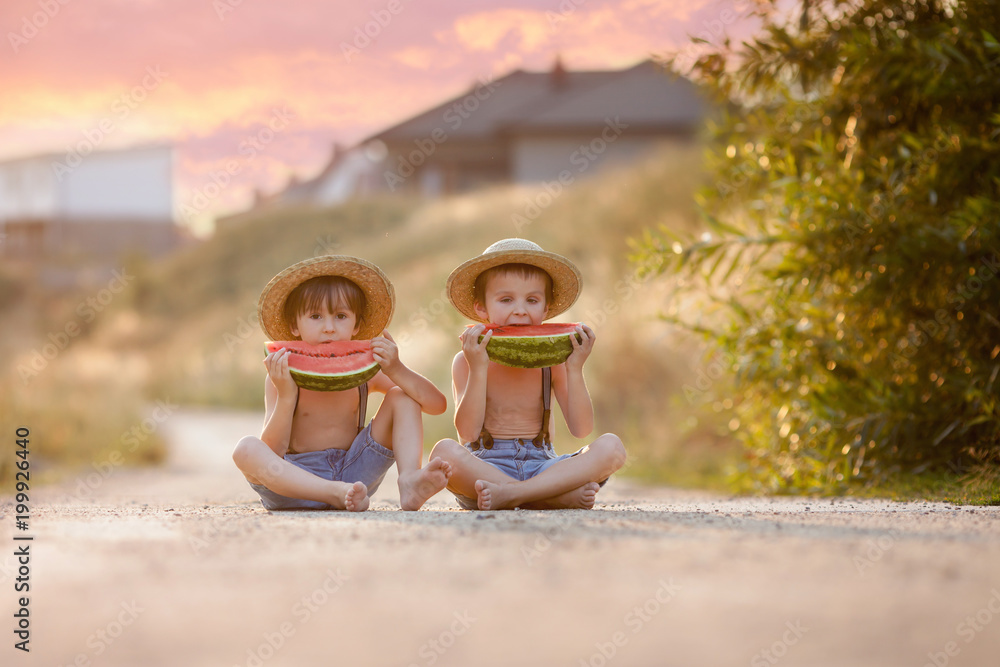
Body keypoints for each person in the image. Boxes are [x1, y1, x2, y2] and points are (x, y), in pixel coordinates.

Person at [232, 255, 450, 512]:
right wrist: (286, 395)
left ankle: (410, 480)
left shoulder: (366, 371)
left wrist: (396, 368)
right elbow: (272, 452)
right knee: (245, 448)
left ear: (356, 325)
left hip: (354, 474)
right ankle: (330, 493)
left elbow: (437, 405)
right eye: (315, 316)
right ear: (294, 325)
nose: (329, 328)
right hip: (294, 483)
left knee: (401, 395)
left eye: (341, 316)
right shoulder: (280, 375)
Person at [429, 238, 626, 510]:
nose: (520, 309)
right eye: (506, 299)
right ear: (481, 308)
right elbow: (467, 431)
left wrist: (574, 368)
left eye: (532, 300)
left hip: (542, 465)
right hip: (486, 469)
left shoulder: (552, 362)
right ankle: (548, 496)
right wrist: (478, 368)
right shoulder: (466, 361)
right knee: (443, 452)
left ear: (546, 309)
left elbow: (582, 429)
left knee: (612, 447)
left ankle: (513, 495)